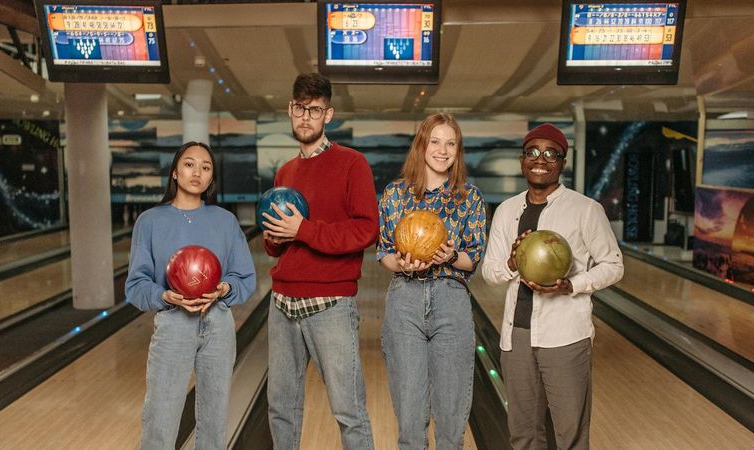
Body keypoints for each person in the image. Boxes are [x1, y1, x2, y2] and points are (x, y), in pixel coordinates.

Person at [481, 124, 624, 450]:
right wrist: (512, 264)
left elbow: (614, 265)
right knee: (523, 433)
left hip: (566, 337)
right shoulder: (505, 211)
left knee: (570, 433)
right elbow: (490, 273)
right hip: (515, 337)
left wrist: (571, 284)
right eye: (532, 152)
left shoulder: (586, 209)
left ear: (562, 161)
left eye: (550, 153)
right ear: (522, 160)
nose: (540, 159)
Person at [260, 73, 379, 450]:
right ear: (289, 111)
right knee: (281, 407)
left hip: (329, 305)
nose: (305, 117)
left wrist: (304, 230)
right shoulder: (285, 171)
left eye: (314, 110)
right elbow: (280, 246)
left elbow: (366, 231)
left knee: (349, 410)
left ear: (328, 114)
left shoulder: (352, 164)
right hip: (282, 303)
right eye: (299, 109)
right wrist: (276, 238)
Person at [125, 141, 256, 450]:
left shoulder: (225, 221)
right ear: (175, 172)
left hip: (218, 323)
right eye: (189, 164)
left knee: (214, 418)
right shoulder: (150, 222)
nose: (197, 172)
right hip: (173, 323)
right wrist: (167, 296)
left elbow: (244, 278)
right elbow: (136, 286)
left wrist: (223, 289)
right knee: (161, 414)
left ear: (211, 178)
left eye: (206, 167)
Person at [376, 113, 486, 449]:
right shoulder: (395, 194)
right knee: (410, 419)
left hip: (451, 298)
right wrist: (404, 265)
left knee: (451, 421)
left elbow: (474, 257)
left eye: (450, 143)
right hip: (405, 299)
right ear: (422, 145)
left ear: (458, 150)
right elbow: (384, 253)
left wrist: (451, 257)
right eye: (435, 141)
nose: (442, 150)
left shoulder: (470, 196)